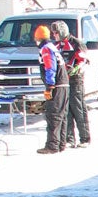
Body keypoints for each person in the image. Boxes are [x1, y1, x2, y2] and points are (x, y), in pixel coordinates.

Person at [51, 20, 90, 148]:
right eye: (53, 33)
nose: (54, 35)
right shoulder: (57, 45)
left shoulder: (76, 43)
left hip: (76, 80)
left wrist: (76, 68)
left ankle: (85, 138)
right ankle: (69, 138)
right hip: (63, 82)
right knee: (66, 110)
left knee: (78, 109)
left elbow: (84, 60)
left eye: (56, 33)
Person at [34, 24, 69, 155]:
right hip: (64, 85)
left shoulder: (45, 49)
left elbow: (50, 67)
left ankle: (52, 145)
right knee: (62, 116)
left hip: (56, 86)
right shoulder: (53, 47)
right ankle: (61, 144)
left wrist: (49, 86)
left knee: (53, 115)